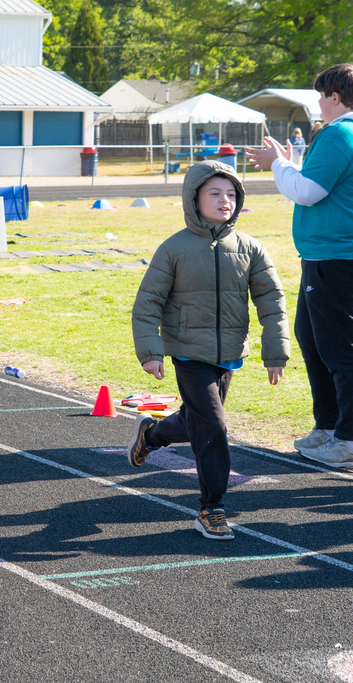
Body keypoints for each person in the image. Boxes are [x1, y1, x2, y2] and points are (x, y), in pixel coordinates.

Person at [129, 160, 289, 541]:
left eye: (231, 194)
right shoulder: (174, 248)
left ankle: (150, 435)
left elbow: (272, 302)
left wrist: (275, 353)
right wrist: (151, 351)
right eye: (215, 193)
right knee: (213, 426)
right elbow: (148, 302)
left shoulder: (250, 248)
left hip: (229, 353)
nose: (224, 201)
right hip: (187, 352)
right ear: (193, 198)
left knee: (196, 421)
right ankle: (212, 508)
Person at [246, 63, 353, 467]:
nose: (318, 104)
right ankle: (329, 427)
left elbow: (306, 192)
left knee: (338, 350)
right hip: (329, 258)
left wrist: (278, 163)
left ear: (335, 97)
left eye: (320, 96)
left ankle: (346, 438)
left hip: (335, 259)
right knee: (312, 341)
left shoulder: (339, 133)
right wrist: (289, 164)